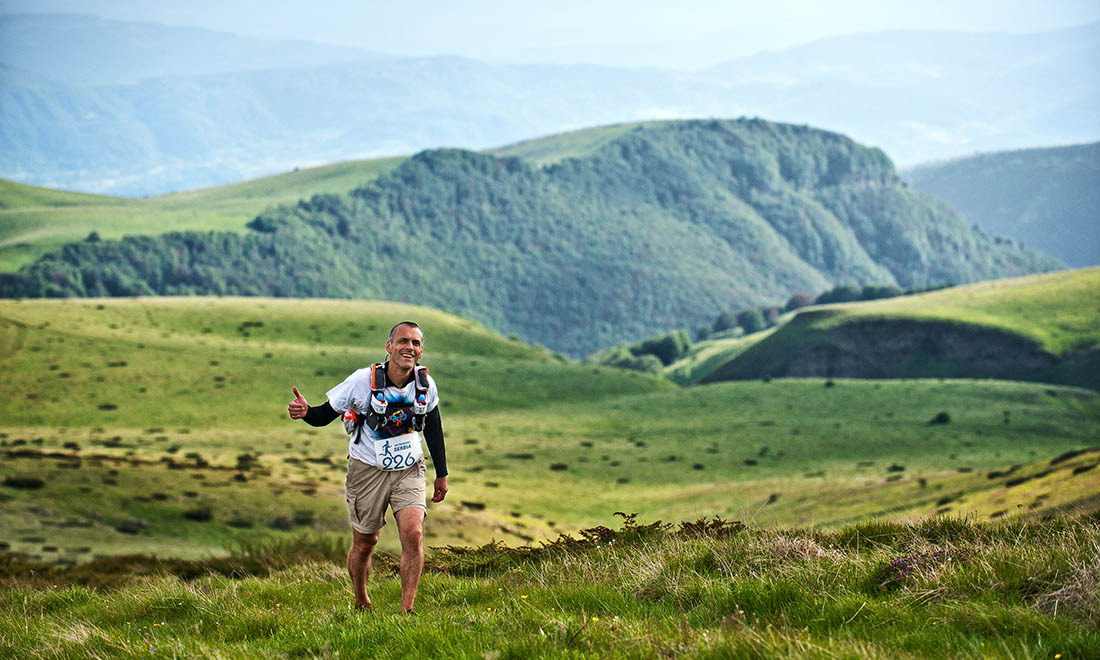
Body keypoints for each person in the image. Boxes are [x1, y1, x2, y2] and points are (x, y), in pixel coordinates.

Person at [287, 321, 448, 612]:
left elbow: (434, 428)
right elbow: (324, 415)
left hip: (409, 468)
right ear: (389, 347)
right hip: (366, 469)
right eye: (402, 341)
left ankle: (407, 610)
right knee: (365, 541)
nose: (408, 347)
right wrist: (305, 412)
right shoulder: (362, 381)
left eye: (415, 343)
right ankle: (361, 599)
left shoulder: (427, 385)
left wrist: (442, 474)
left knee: (413, 534)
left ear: (421, 351)